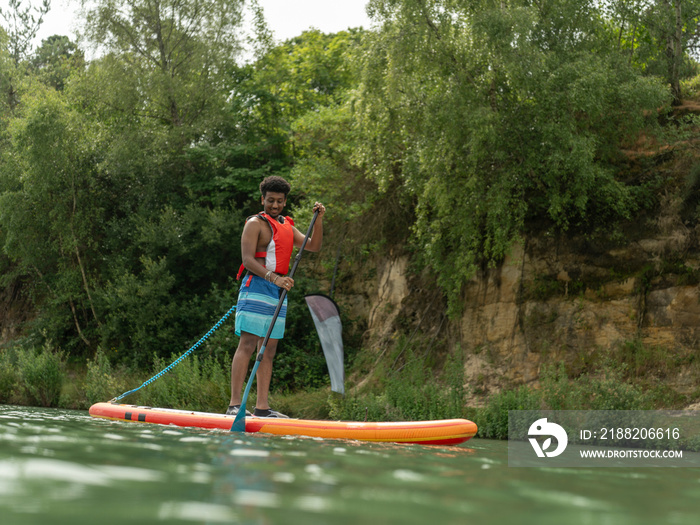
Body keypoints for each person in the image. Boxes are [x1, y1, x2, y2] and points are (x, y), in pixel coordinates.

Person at [227, 175, 325, 418]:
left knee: (268, 350)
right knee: (248, 344)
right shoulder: (254, 223)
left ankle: (262, 407)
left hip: (278, 292)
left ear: (285, 202)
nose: (275, 205)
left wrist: (319, 220)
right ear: (263, 199)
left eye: (279, 201)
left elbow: (313, 246)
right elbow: (248, 260)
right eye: (270, 201)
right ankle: (234, 405)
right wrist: (274, 278)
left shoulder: (287, 226)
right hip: (257, 286)